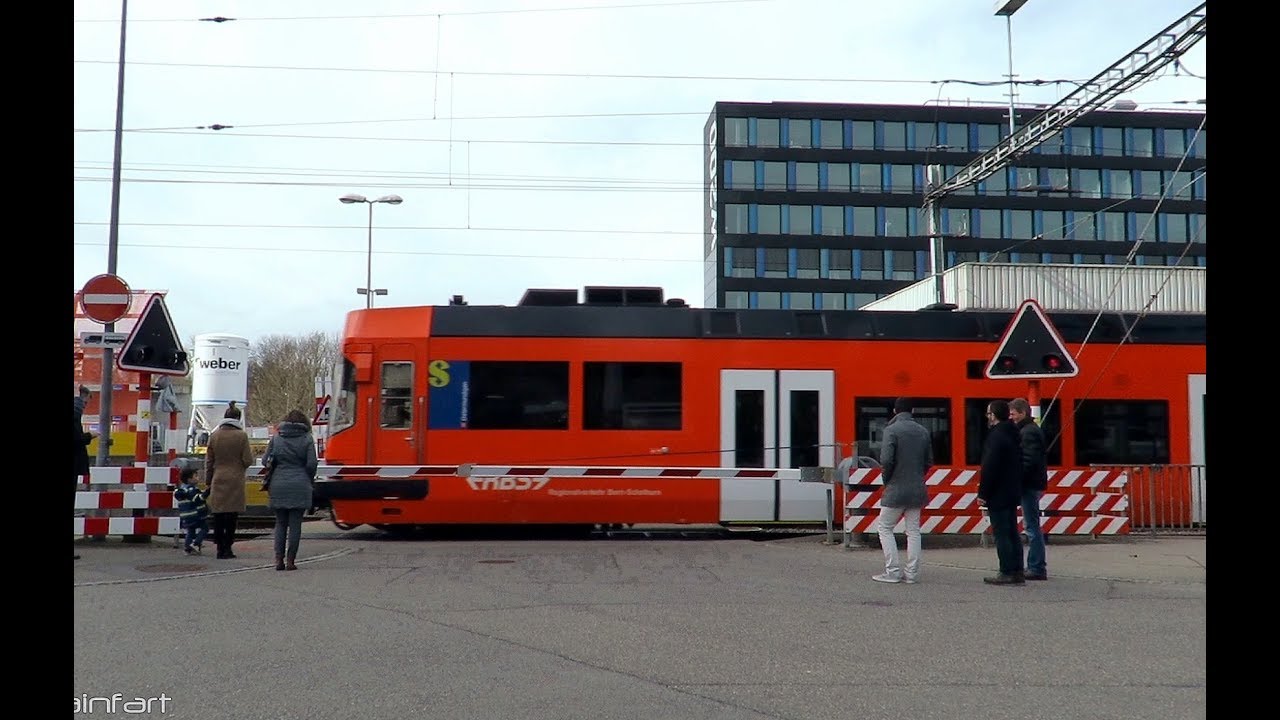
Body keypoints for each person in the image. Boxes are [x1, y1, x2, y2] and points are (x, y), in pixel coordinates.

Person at [870, 398, 933, 584]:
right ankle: (912, 574)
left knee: (885, 528)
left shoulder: (891, 430)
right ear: (912, 410)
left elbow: (886, 460)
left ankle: (893, 571)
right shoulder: (923, 431)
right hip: (917, 488)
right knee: (913, 531)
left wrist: (888, 479)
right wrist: (917, 476)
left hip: (896, 488)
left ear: (895, 411)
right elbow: (929, 461)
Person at [262, 409, 318, 571]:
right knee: (295, 525)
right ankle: (291, 561)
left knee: (280, 523)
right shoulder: (307, 439)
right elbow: (312, 464)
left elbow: (266, 460)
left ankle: (278, 560)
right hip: (300, 483)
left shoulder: (277, 438)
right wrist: (307, 477)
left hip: (278, 483)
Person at [978, 400, 1026, 585]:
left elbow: (990, 466)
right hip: (1012, 490)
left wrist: (983, 493)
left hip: (998, 492)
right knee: (1012, 531)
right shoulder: (1013, 433)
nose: (987, 417)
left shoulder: (996, 436)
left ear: (994, 415)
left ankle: (1006, 570)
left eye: (989, 413)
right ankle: (1017, 570)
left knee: (1001, 533)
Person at [205, 401, 254, 560]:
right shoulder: (241, 436)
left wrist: (208, 481)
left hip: (218, 477)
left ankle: (219, 548)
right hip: (235, 479)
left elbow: (209, 462)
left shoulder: (215, 436)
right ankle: (228, 547)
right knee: (232, 516)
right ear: (238, 419)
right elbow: (247, 459)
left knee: (218, 515)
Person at [1010, 398, 1049, 581]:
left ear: (1023, 412)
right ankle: (1036, 565)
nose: (1011, 417)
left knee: (1031, 526)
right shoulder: (1030, 430)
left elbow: (1028, 460)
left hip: (1029, 485)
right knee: (1031, 525)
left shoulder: (1028, 432)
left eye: (1013, 414)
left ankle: (1036, 567)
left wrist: (1017, 478)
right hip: (1033, 483)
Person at [73, 385, 96, 561]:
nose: (86, 405)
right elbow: (75, 439)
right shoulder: (74, 414)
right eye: (86, 401)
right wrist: (90, 436)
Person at [173, 463, 209, 555]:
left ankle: (187, 548)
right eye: (196, 476)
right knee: (205, 528)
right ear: (189, 479)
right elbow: (198, 499)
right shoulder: (192, 490)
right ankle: (196, 544)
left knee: (190, 531)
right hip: (196, 515)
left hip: (186, 516)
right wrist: (207, 492)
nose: (198, 478)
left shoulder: (181, 490)